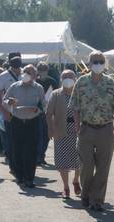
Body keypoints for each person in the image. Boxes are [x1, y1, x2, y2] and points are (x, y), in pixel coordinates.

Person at [70, 51, 114, 211]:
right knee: (86, 166)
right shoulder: (81, 82)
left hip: (106, 129)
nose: (98, 64)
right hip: (86, 128)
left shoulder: (111, 83)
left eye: (100, 61)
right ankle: (86, 194)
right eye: (95, 61)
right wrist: (78, 126)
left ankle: (97, 200)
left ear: (104, 63)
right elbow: (75, 106)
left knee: (103, 167)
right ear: (89, 63)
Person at [2, 64, 46, 188]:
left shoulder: (39, 88)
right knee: (17, 149)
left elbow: (44, 104)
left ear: (35, 75)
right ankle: (19, 177)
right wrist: (10, 102)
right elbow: (4, 101)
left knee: (31, 151)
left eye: (31, 72)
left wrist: (38, 109)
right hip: (17, 120)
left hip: (33, 121)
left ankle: (29, 178)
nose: (27, 74)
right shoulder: (14, 86)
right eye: (26, 71)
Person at [46, 70, 81, 199]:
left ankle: (76, 180)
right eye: (65, 77)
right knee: (62, 160)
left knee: (80, 158)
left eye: (70, 76)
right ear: (61, 79)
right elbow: (49, 113)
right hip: (61, 130)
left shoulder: (80, 93)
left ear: (75, 78)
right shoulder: (56, 94)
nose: (67, 79)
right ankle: (66, 187)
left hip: (78, 130)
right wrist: (50, 129)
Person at [0, 53, 23, 168]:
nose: (18, 69)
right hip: (9, 110)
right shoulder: (3, 76)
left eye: (19, 67)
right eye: (15, 67)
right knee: (11, 137)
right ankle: (12, 161)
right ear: (11, 65)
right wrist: (4, 112)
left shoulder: (25, 74)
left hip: (23, 111)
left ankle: (20, 161)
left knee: (22, 138)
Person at [36, 61, 60, 166]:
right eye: (40, 70)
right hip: (37, 112)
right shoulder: (35, 82)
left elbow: (57, 96)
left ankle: (41, 155)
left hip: (49, 112)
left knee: (47, 135)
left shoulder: (52, 81)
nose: (42, 72)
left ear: (47, 70)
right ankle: (38, 157)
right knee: (38, 135)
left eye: (44, 70)